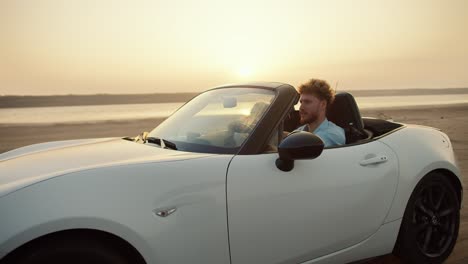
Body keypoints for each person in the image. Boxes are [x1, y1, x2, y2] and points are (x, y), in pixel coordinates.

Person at [293, 78, 345, 147]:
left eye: (307, 102)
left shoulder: (333, 134)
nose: (301, 108)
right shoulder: (300, 130)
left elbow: (306, 148)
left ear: (323, 104)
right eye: (301, 102)